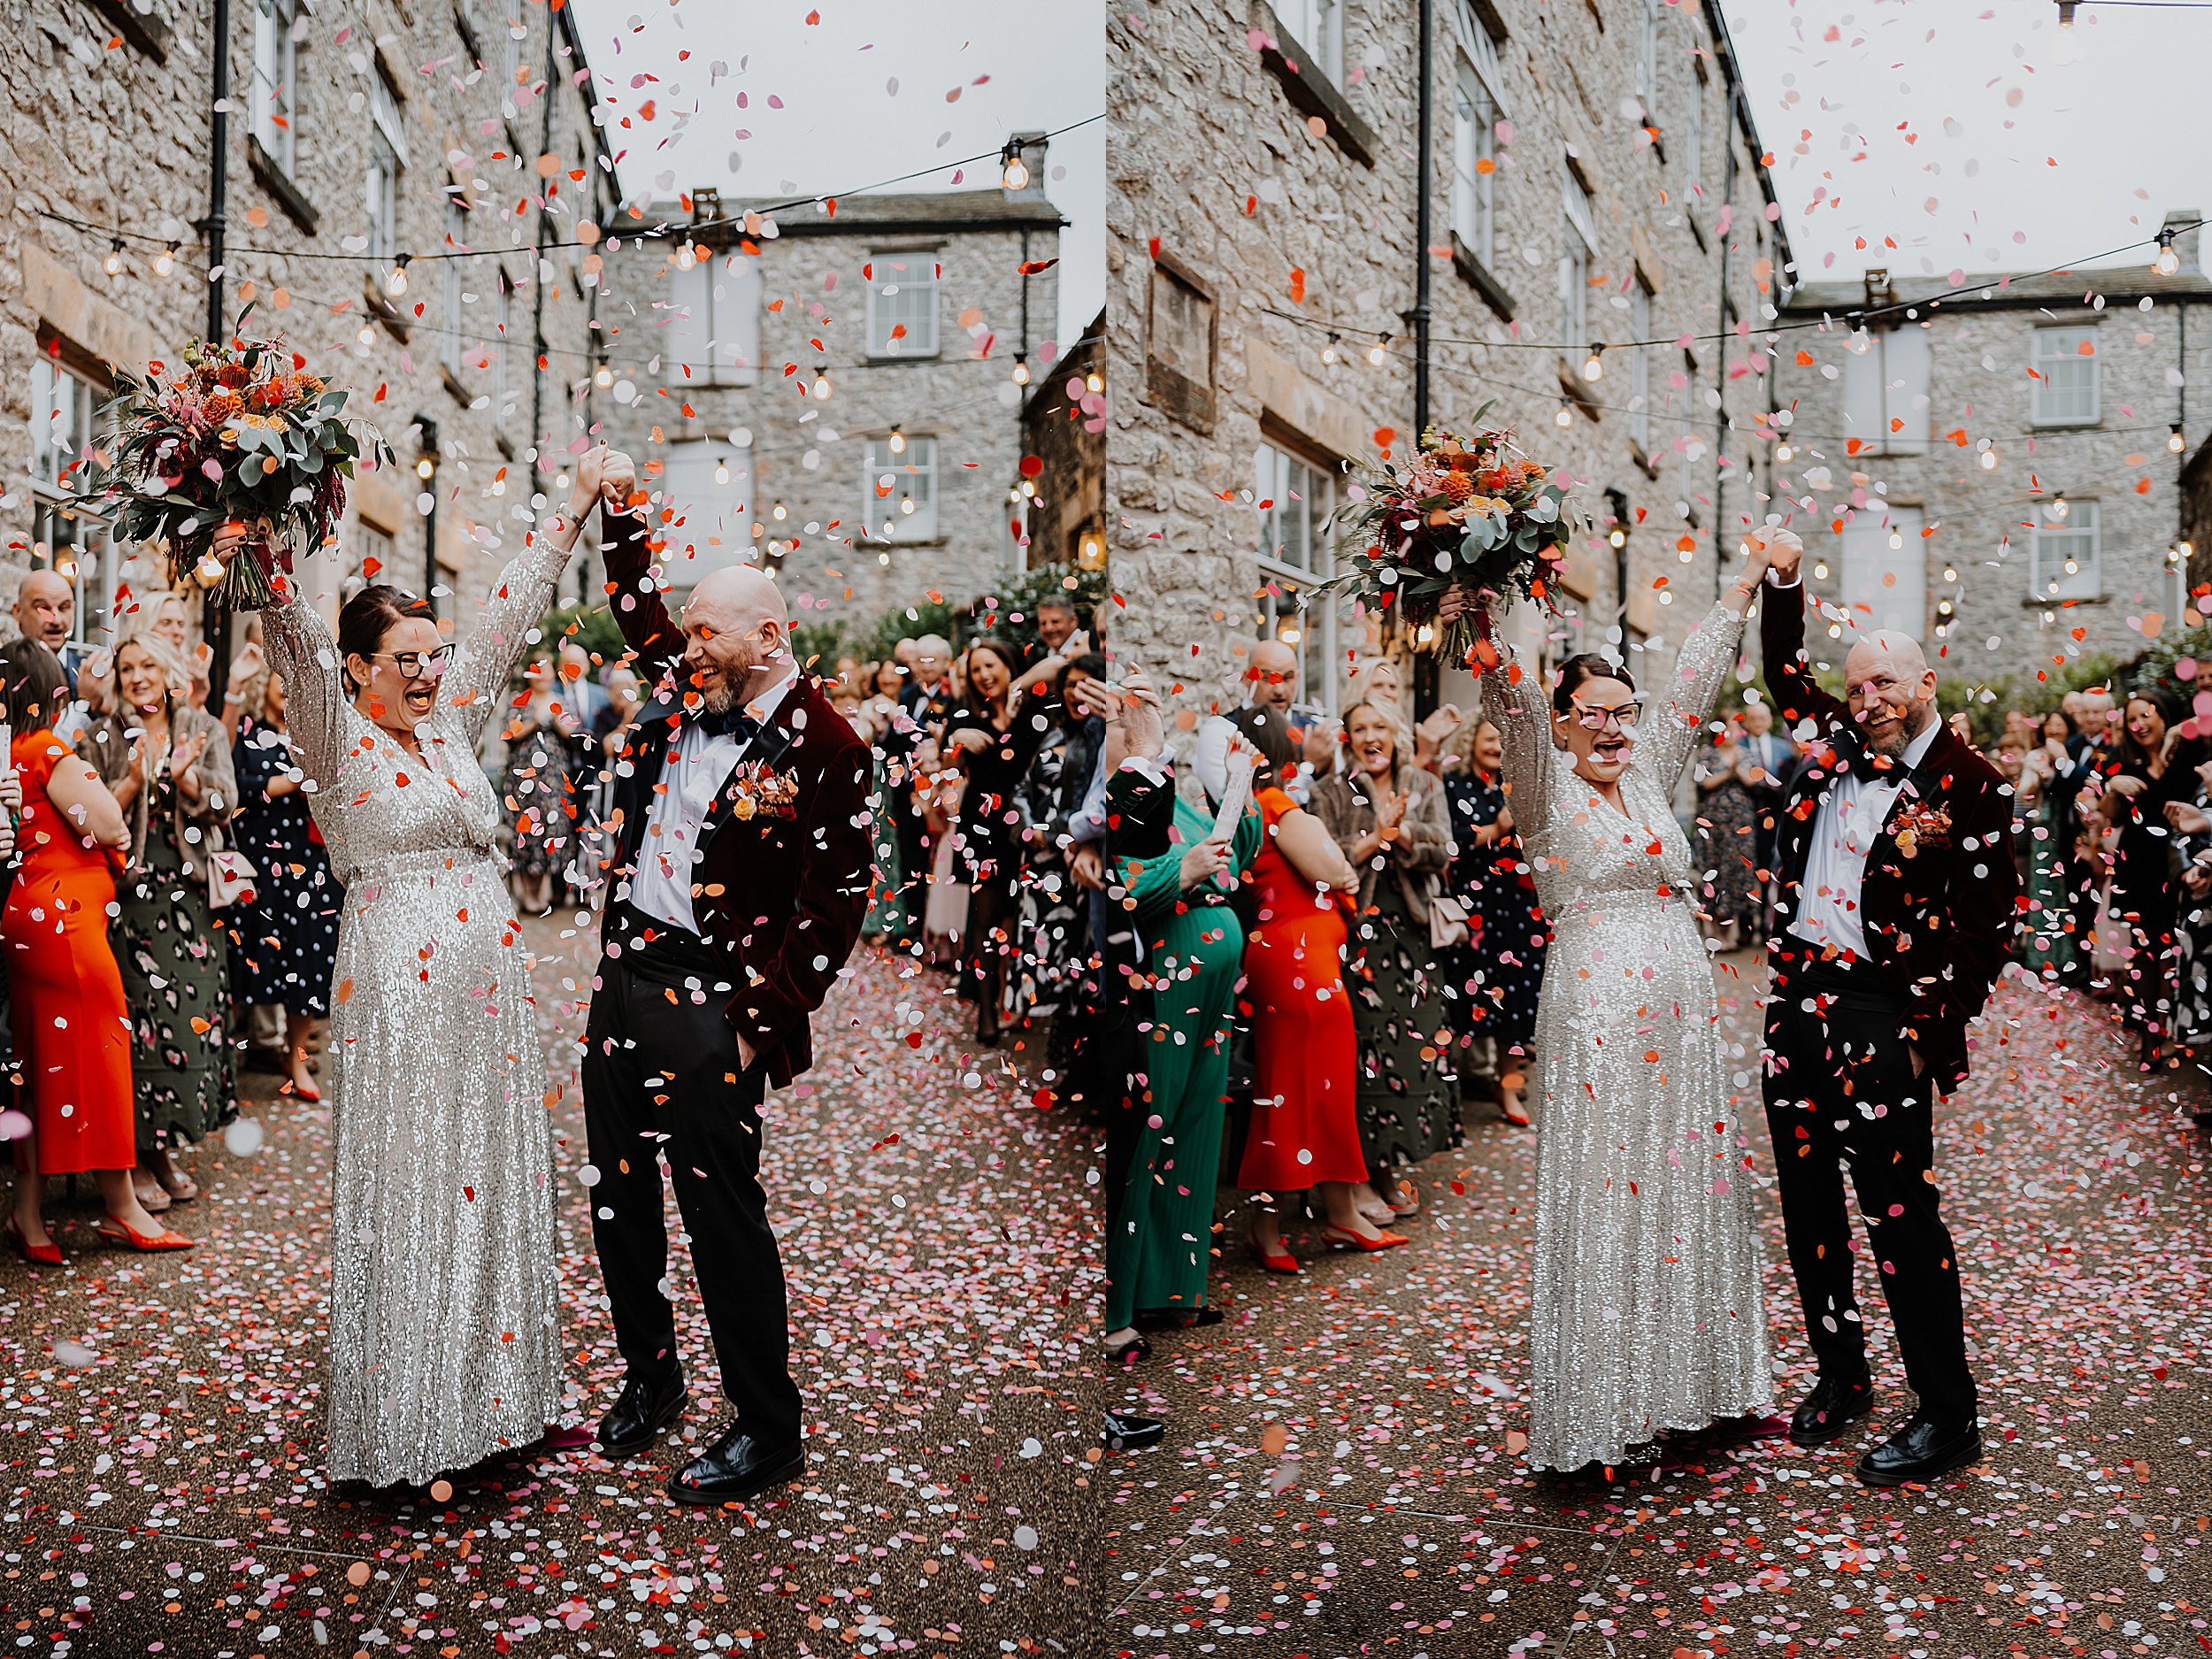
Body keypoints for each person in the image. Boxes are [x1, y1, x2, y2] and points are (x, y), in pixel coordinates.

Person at [210, 450, 618, 1487]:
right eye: (407, 658)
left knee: (490, 1183)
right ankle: (415, 1433)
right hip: (401, 989)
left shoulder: (450, 721)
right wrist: (259, 540)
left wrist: (571, 503)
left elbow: (516, 610)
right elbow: (298, 643)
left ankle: (503, 1409)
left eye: (436, 654)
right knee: (421, 1189)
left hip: (484, 993)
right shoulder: (335, 733)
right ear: (361, 668)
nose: (431, 671)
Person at [1463, 539, 1779, 1478]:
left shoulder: (1647, 772)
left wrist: (1739, 586)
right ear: (1560, 725)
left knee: (1687, 1189)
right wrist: (1483, 618)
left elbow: (1693, 681)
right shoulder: (1542, 790)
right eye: (1590, 713)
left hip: (1681, 1018)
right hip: (1599, 1012)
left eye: (1623, 711)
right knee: (1607, 1194)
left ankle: (1703, 1395)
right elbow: (1509, 702)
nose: (1611, 726)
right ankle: (1594, 1420)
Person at [585, 486, 873, 1508]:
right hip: (627, 978)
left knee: (722, 1217)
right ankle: (651, 1379)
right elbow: (638, 607)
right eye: (690, 630)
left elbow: (836, 904)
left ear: (770, 634)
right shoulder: (690, 681)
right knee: (618, 1197)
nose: (689, 647)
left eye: (709, 632)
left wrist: (758, 1026)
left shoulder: (829, 746)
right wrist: (616, 511)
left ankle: (767, 1426)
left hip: (718, 1005)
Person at [1757, 524, 2016, 1487]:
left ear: (1923, 687)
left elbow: (1986, 933)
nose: (1863, 702)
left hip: (1882, 1011)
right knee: (1806, 1198)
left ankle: (1947, 1414)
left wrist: (1921, 1038)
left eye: (1882, 686)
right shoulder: (1829, 741)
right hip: (1796, 998)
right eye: (1854, 685)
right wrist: (1781, 582)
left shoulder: (1973, 786)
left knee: (1900, 1212)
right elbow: (1784, 671)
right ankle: (1840, 1376)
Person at [2, 643, 186, 1261]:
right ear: (53, 690)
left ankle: (27, 1216)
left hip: (30, 913)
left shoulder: (11, 755)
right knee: (103, 1056)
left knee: (41, 1063)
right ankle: (122, 1205)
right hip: (67, 921)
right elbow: (108, 822)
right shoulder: (49, 751)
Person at [1102, 739, 1262, 1362]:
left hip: (1214, 968)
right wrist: (1182, 873)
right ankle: (1120, 1302)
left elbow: (1237, 858)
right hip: (1164, 971)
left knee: (1196, 1124)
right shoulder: (1120, 795)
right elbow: (1122, 883)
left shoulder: (1173, 795)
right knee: (1152, 1125)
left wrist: (1236, 788)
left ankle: (1174, 1287)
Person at [1232, 706, 1402, 1272]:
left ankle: (1337, 1211)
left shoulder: (1250, 810)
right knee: (1293, 1089)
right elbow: (1334, 871)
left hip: (1295, 956)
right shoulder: (1279, 807)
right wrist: (1339, 872)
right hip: (1301, 963)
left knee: (1318, 1085)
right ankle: (1269, 1223)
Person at [81, 628, 238, 1214]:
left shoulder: (203, 728)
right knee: (141, 1025)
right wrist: (134, 778)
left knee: (190, 1019)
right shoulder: (101, 736)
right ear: (118, 680)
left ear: (168, 670)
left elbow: (227, 802)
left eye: (149, 666)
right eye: (128, 670)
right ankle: (139, 1152)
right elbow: (82, 816)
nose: (139, 677)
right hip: (130, 902)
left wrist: (187, 777)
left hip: (192, 899)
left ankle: (166, 1146)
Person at [1310, 703, 1460, 1223]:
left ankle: (1391, 1169)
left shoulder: (1423, 781)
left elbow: (1445, 847)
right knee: (1367, 1052)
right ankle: (1361, 1175)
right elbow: (1322, 859)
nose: (1370, 738)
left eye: (1379, 728)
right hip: (1359, 939)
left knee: (1413, 1047)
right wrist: (1375, 836)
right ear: (1347, 740)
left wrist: (1406, 837)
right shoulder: (1329, 791)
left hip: (1414, 935)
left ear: (1396, 734)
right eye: (1359, 731)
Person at [227, 661, 342, 1102]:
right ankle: (233, 1059)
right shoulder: (249, 733)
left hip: (309, 861)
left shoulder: (313, 737)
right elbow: (237, 787)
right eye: (281, 680)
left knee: (307, 965)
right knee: (251, 957)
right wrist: (288, 781)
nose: (286, 689)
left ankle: (296, 1060)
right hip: (261, 864)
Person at [943, 637, 1065, 1046]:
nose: (984, 675)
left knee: (1020, 922)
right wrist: (956, 738)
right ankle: (987, 1012)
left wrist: (1020, 685)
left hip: (1027, 830)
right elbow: (946, 761)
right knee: (984, 921)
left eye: (991, 665)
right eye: (976, 669)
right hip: (982, 829)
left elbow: (1061, 665)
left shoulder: (1032, 705)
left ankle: (1014, 999)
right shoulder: (965, 715)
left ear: (1008, 665)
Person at [1441, 718, 1545, 1126]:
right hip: (1473, 905)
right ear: (1471, 742)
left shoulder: (1519, 786)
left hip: (1520, 907)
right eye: (1489, 739)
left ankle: (1509, 1089)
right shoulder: (1454, 785)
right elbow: (1451, 841)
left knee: (1516, 1004)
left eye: (1504, 740)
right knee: (1465, 997)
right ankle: (1451, 1092)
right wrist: (1496, 829)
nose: (1497, 747)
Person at [2100, 689, 2201, 1068]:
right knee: (2145, 950)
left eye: (2146, 716)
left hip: (2184, 864)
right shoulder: (2122, 760)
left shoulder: (2190, 755)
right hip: (2140, 864)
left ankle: (2179, 1027)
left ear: (2165, 716)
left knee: (2177, 948)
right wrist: (2112, 787)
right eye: (2132, 720)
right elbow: (2109, 815)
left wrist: (2182, 731)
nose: (2139, 725)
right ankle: (2149, 1033)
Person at [503, 658, 580, 917]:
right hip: (524, 779)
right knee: (525, 831)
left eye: (545, 671)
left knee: (549, 830)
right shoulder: (519, 700)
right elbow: (510, 734)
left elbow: (572, 733)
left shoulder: (561, 699)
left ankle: (540, 892)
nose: (541, 676)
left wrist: (557, 719)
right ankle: (528, 895)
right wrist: (535, 720)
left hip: (554, 779)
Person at [1192, 637, 1298, 808]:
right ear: (1247, 678)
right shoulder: (1222, 730)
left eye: (1288, 678)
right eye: (1268, 678)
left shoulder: (1313, 730)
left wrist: (1322, 768)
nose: (1279, 690)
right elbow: (1227, 803)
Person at [1694, 720, 1763, 949]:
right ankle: (1715, 934)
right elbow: (1704, 783)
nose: (1730, 735)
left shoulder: (1745, 753)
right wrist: (1728, 770)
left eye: (1734, 731)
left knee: (1735, 875)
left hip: (1739, 825)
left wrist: (1737, 768)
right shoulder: (1707, 754)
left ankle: (1729, 933)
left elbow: (1753, 781)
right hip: (1712, 825)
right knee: (1713, 874)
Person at [1739, 697, 1797, 939]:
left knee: (1769, 870)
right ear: (1746, 722)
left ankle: (1766, 926)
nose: (1758, 723)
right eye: (1753, 719)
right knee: (1743, 871)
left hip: (1773, 819)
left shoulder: (1783, 748)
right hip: (1742, 818)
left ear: (1769, 720)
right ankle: (1744, 928)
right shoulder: (1737, 746)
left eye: (1762, 718)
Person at [11, 569, 87, 693]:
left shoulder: (87, 673)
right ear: (18, 611)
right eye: (43, 608)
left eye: (64, 608)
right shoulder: (5, 670)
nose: (55, 620)